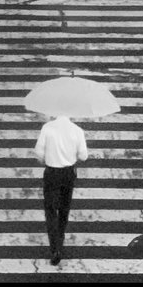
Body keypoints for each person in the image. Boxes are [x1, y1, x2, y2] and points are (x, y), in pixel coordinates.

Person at [33, 114, 88, 266]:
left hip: (51, 173)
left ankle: (54, 248)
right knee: (64, 208)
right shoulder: (77, 130)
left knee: (50, 210)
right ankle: (61, 240)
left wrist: (45, 158)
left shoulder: (48, 128)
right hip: (68, 173)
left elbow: (38, 152)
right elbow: (83, 156)